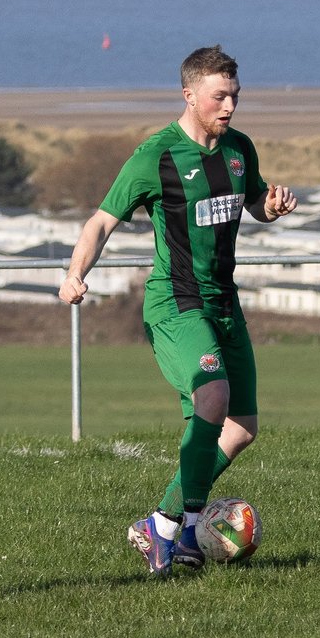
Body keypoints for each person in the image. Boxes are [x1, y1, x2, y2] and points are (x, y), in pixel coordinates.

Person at [59, 46, 297, 573]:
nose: (229, 106)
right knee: (212, 395)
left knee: (241, 428)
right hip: (176, 304)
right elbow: (100, 222)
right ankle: (180, 533)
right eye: (219, 96)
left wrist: (270, 208)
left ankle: (161, 522)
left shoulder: (240, 149)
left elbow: (252, 201)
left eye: (235, 95)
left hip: (224, 302)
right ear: (189, 95)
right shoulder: (156, 157)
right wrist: (76, 274)